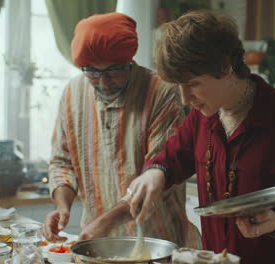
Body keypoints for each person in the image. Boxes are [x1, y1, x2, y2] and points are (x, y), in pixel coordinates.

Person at [127, 10, 275, 264]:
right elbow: (172, 158)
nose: (185, 100)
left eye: (193, 84)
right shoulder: (202, 117)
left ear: (225, 66)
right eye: (178, 87)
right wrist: (155, 173)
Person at [44, 12, 201, 249]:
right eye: (93, 72)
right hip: (96, 240)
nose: (104, 82)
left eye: (113, 71)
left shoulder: (161, 92)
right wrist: (62, 206)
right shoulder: (72, 94)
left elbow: (161, 173)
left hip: (156, 240)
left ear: (130, 61)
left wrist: (105, 223)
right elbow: (62, 162)